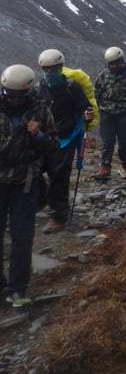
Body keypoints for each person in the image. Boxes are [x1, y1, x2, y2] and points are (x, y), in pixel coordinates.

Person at [0, 64, 59, 307]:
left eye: (19, 96)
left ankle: (18, 290)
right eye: (9, 95)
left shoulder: (41, 111)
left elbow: (54, 145)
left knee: (22, 238)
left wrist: (38, 135)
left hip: (25, 184)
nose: (14, 100)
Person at [36, 49, 94, 234]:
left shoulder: (73, 87)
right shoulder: (38, 88)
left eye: (54, 68)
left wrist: (86, 114)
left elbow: (84, 107)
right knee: (32, 171)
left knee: (60, 174)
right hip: (42, 138)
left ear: (61, 68)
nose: (50, 72)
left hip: (65, 138)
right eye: (47, 69)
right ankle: (38, 201)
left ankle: (58, 216)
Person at [93, 47, 126, 179]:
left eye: (117, 63)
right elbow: (97, 93)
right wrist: (98, 108)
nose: (114, 66)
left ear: (122, 61)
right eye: (111, 64)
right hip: (107, 113)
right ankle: (104, 167)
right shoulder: (104, 75)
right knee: (107, 142)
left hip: (125, 114)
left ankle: (125, 166)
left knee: (124, 143)